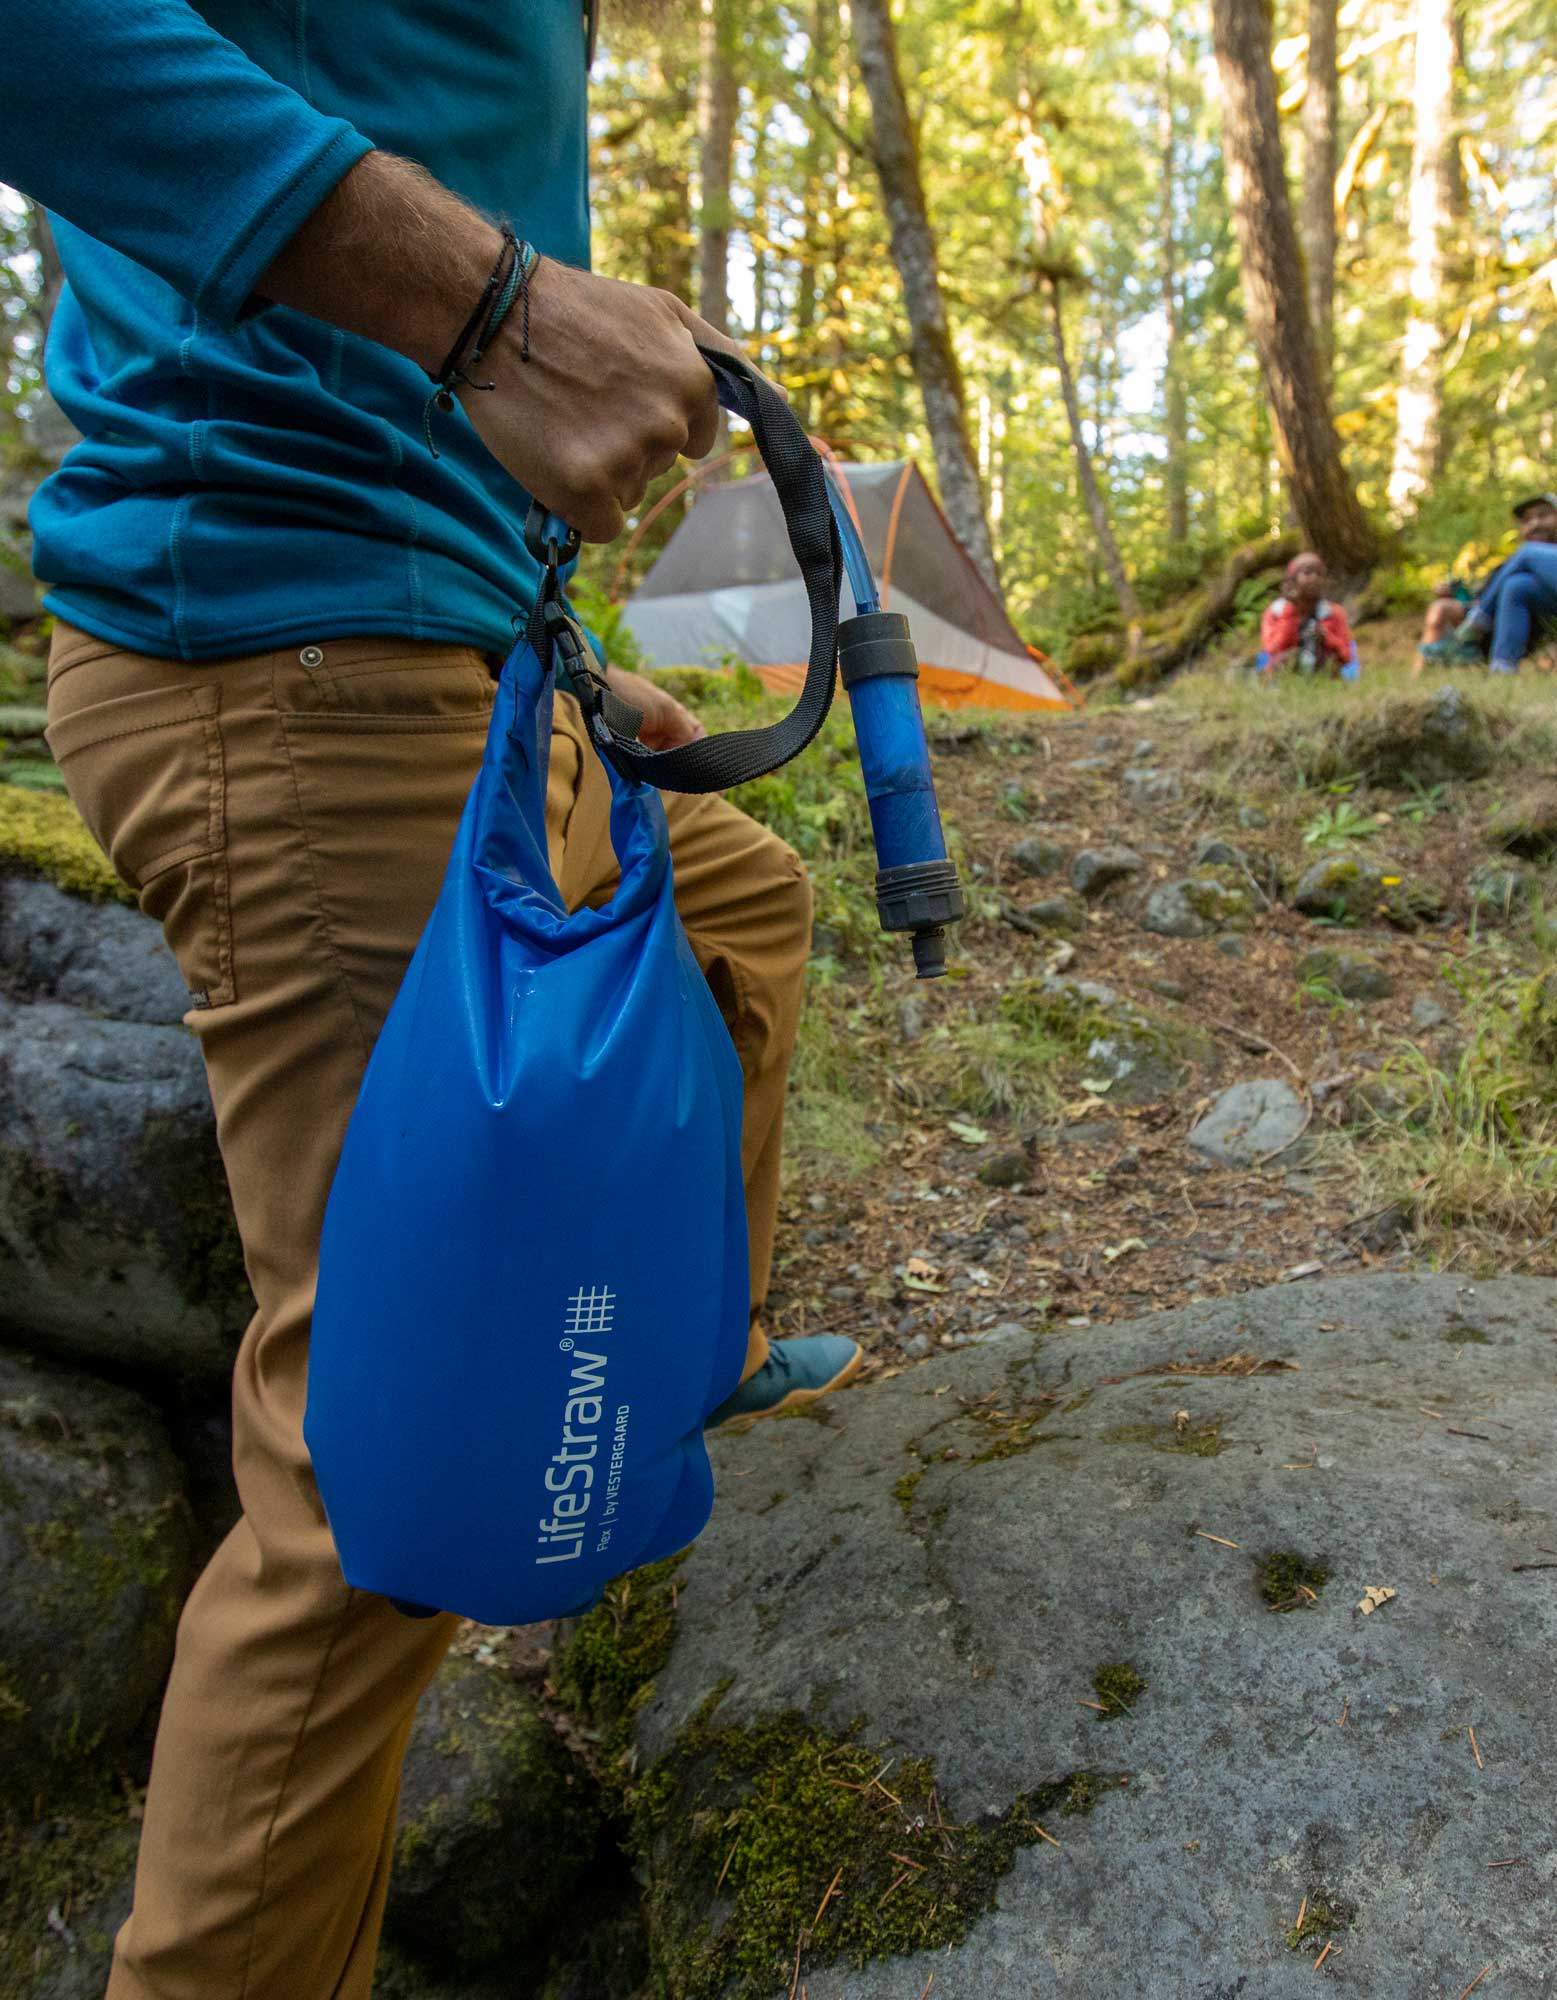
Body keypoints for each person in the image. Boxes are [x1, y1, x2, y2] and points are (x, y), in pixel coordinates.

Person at [4, 5, 861, 1994]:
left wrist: (529, 653)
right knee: (379, 1488)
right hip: (293, 644)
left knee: (733, 902)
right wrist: (492, 311)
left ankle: (665, 1350)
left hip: (443, 638)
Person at [1420, 492, 1557, 671]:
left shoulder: (1528, 555)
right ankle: (1502, 667)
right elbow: (1483, 590)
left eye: (1543, 515)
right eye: (1527, 520)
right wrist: (1458, 593)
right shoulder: (1517, 564)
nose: (1535, 524)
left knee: (1527, 552)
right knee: (1516, 586)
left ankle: (1474, 625)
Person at [1256, 552, 1360, 681]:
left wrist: (1326, 638)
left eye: (1319, 574)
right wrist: (1291, 612)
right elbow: (1271, 651)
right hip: (1286, 677)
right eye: (1307, 573)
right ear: (1292, 580)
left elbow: (1347, 657)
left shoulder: (1334, 613)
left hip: (1325, 675)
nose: (1314, 578)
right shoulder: (1276, 612)